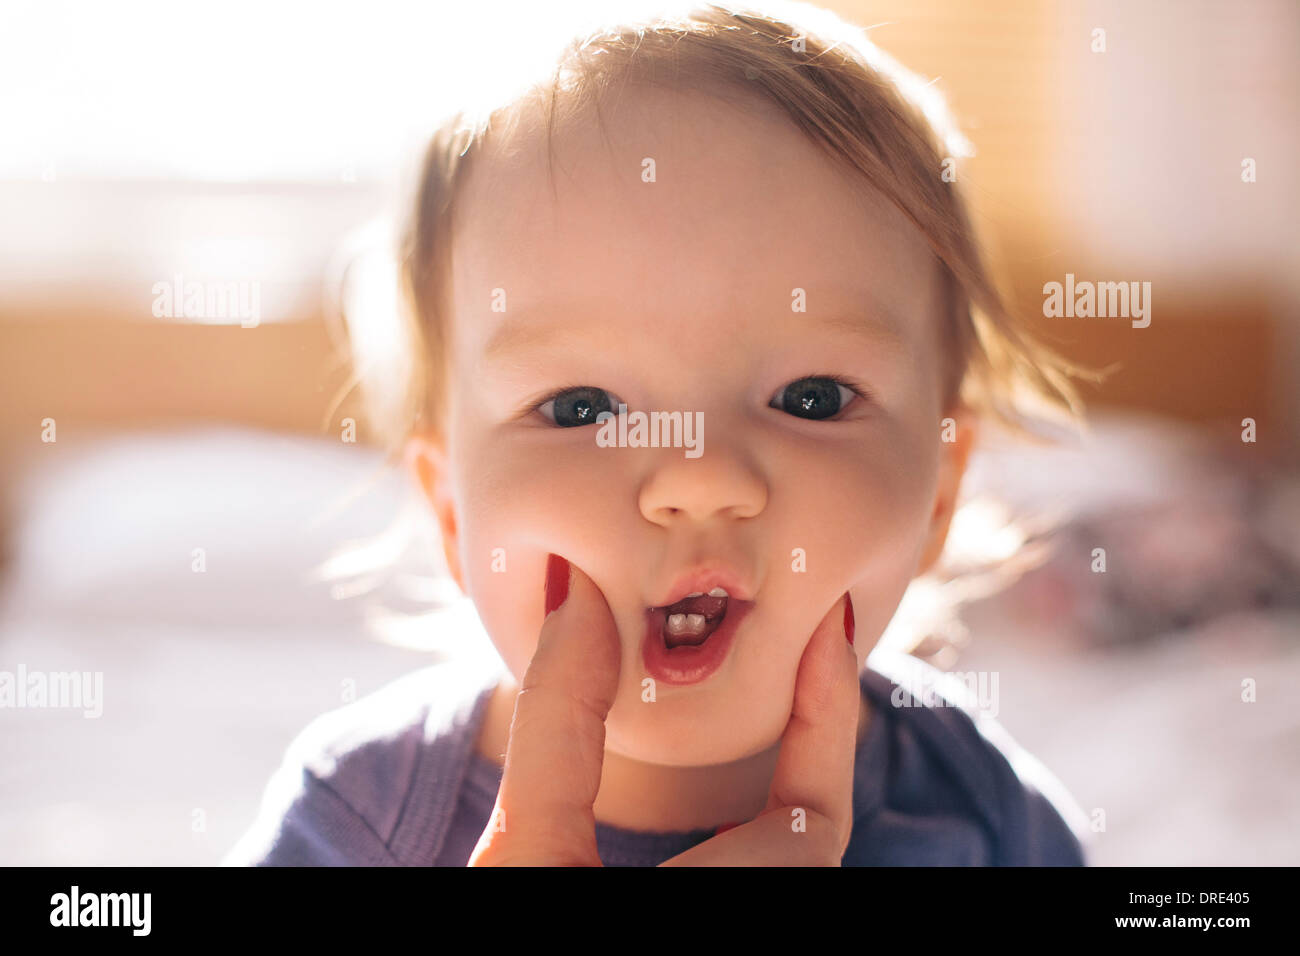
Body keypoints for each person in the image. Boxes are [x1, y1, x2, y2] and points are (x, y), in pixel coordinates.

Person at [224, 0, 1097, 866]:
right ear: (453, 511)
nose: (700, 475)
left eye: (814, 397)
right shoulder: (358, 825)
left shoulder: (980, 812)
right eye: (580, 408)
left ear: (940, 491)